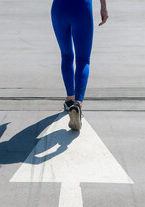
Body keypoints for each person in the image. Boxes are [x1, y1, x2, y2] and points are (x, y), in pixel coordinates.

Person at [51, 0, 108, 131]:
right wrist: (104, 7)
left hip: (59, 8)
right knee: (83, 60)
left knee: (66, 56)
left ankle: (69, 99)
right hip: (81, 8)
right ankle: (77, 104)